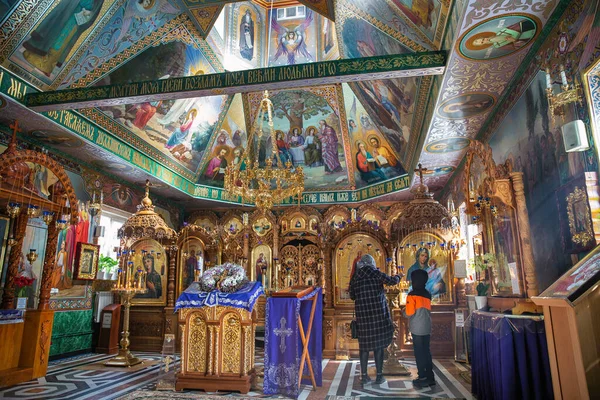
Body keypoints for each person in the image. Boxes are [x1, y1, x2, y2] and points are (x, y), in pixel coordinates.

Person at [349, 254, 401, 385]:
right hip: (378, 317)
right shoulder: (376, 273)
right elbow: (392, 281)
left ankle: (364, 376)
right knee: (378, 346)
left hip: (363, 317)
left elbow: (352, 295)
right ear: (372, 262)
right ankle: (379, 376)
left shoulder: (356, 277)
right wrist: (399, 276)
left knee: (364, 347)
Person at [403, 269, 434, 388]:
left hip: (417, 328)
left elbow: (409, 313)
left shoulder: (412, 295)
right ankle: (430, 377)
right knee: (426, 352)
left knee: (419, 353)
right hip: (426, 326)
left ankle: (422, 377)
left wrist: (403, 311)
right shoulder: (427, 293)